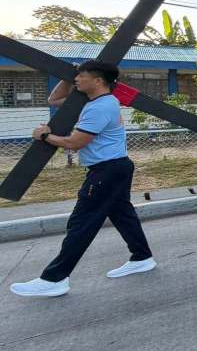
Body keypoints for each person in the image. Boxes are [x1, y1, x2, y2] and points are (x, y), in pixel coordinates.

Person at [10, 61, 156, 297]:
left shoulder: (100, 107)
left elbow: (76, 143)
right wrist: (68, 76)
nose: (77, 79)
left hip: (106, 171)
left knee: (82, 222)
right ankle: (142, 257)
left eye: (81, 76)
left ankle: (55, 279)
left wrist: (46, 135)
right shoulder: (92, 102)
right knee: (122, 215)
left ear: (98, 81)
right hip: (114, 168)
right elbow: (54, 100)